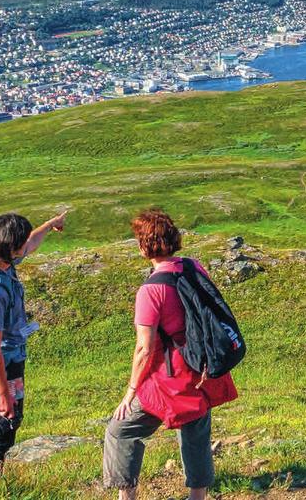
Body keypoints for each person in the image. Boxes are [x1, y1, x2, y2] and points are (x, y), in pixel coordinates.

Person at [104, 209, 237, 500]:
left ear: (144, 246)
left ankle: (127, 496)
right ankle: (197, 496)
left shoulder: (150, 291)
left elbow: (144, 348)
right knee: (195, 430)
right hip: (201, 367)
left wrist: (129, 392)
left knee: (120, 429)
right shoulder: (193, 267)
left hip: (169, 377)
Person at [0, 210, 66, 484]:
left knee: (9, 421)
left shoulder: (1, 261)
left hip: (10, 362)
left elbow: (31, 243)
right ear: (12, 248)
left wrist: (50, 225)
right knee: (2, 425)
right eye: (21, 242)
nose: (26, 246)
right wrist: (2, 393)